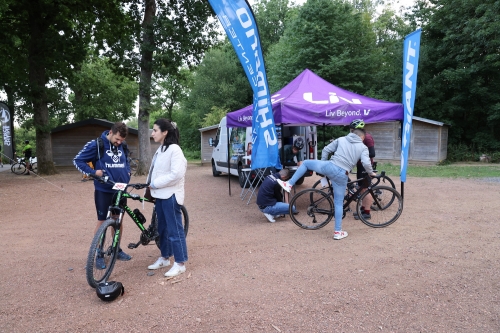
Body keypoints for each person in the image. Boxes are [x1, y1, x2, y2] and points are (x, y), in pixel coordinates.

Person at [277, 129, 375, 240]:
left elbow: (326, 150)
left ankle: (289, 184)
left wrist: (323, 163)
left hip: (330, 167)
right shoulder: (363, 147)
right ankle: (338, 232)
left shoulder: (341, 139)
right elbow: (366, 163)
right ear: (362, 137)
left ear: (352, 133)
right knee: (338, 203)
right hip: (343, 174)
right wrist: (371, 172)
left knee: (306, 163)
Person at [73, 122, 132, 268]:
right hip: (104, 190)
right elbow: (78, 160)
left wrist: (128, 171)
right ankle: (98, 253)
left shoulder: (122, 145)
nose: (119, 143)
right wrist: (93, 173)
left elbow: (127, 160)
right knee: (101, 221)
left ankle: (115, 249)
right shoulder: (97, 144)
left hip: (121, 189)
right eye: (117, 139)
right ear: (111, 132)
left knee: (117, 220)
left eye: (121, 141)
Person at [146, 119, 188, 277]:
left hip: (170, 196)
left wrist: (154, 184)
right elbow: (154, 171)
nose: (152, 133)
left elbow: (176, 174)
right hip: (160, 196)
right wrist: (148, 186)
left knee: (174, 230)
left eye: (155, 130)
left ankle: (180, 263)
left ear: (165, 132)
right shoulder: (161, 149)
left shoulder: (175, 149)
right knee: (162, 229)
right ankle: (165, 257)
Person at [349, 119, 376, 220]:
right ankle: (363, 210)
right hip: (360, 165)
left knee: (366, 189)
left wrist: (360, 154)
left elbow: (372, 153)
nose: (351, 132)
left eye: (352, 130)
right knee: (361, 188)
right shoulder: (357, 138)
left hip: (366, 166)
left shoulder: (367, 137)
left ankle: (367, 212)